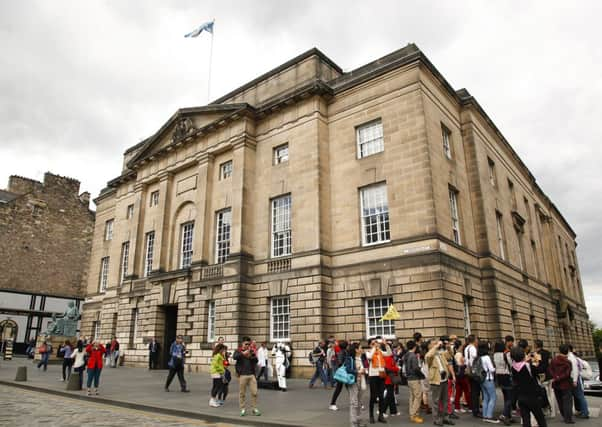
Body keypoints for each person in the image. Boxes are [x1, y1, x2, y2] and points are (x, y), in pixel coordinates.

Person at [510, 346, 547, 427]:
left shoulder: (513, 367)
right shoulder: (528, 366)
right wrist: (538, 360)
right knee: (540, 418)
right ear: (523, 355)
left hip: (521, 396)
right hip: (532, 396)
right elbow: (541, 370)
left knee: (526, 419)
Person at [425, 339, 455, 427]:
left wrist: (449, 347)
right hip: (436, 381)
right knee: (436, 401)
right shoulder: (429, 355)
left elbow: (450, 355)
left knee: (445, 400)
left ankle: (446, 417)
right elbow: (428, 355)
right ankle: (437, 419)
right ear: (430, 346)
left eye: (437, 343)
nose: (437, 344)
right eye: (434, 343)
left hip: (444, 379)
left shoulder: (440, 354)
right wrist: (436, 346)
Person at [233, 336, 261, 416]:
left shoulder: (251, 351)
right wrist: (243, 353)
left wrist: (251, 356)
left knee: (254, 392)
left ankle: (254, 408)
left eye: (249, 344)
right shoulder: (238, 351)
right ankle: (242, 409)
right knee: (242, 393)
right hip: (242, 375)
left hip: (251, 375)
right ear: (242, 343)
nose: (248, 345)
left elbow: (256, 360)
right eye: (246, 344)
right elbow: (235, 357)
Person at [366, 336, 390, 424]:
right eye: (372, 343)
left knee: (381, 397)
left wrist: (386, 344)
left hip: (381, 374)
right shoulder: (368, 352)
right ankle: (371, 415)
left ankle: (380, 415)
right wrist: (374, 348)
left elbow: (389, 353)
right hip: (373, 376)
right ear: (369, 345)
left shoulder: (380, 352)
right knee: (373, 396)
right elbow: (369, 357)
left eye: (376, 343)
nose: (375, 344)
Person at [549, 344, 574, 424]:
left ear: (559, 351)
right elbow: (567, 374)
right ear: (567, 352)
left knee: (560, 401)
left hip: (556, 384)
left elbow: (550, 370)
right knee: (567, 402)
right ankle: (568, 418)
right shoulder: (568, 362)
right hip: (566, 384)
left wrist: (555, 377)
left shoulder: (553, 360)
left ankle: (564, 416)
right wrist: (559, 377)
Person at [346, 342, 367, 427]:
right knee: (354, 403)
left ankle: (358, 421)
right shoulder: (350, 358)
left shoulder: (361, 357)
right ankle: (353, 423)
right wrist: (358, 372)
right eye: (361, 348)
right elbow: (348, 369)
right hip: (353, 382)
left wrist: (364, 370)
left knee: (359, 402)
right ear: (356, 350)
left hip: (361, 381)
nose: (362, 349)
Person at [403, 340, 425, 424]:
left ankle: (412, 413)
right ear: (414, 347)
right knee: (418, 396)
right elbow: (416, 368)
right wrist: (422, 375)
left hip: (409, 378)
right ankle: (414, 414)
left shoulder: (406, 355)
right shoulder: (413, 356)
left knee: (412, 397)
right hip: (415, 378)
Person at [533, 339, 555, 417]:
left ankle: (546, 409)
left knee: (544, 394)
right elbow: (550, 363)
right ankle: (553, 412)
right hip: (549, 375)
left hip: (542, 376)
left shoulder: (536, 354)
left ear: (536, 345)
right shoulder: (547, 352)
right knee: (551, 393)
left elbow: (536, 365)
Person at [567, 344, 589, 419]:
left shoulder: (571, 357)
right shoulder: (575, 357)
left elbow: (575, 370)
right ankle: (582, 411)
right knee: (579, 396)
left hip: (575, 378)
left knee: (579, 396)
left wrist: (575, 380)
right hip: (578, 378)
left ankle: (585, 412)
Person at [478, 341, 498, 423]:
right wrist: (495, 369)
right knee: (493, 397)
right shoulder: (486, 357)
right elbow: (491, 369)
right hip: (488, 378)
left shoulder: (479, 357)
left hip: (481, 379)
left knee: (485, 397)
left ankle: (485, 415)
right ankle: (489, 416)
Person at [494, 341, 512, 425]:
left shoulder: (494, 354)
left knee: (505, 395)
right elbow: (510, 364)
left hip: (499, 375)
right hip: (506, 374)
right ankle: (505, 414)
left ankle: (508, 415)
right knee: (510, 397)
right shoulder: (506, 354)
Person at [464, 334, 480, 417]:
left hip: (468, 371)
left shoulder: (466, 348)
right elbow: (474, 359)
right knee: (475, 391)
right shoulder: (473, 348)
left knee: (472, 390)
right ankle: (476, 409)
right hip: (474, 371)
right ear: (474, 340)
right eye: (476, 339)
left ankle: (474, 408)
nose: (477, 341)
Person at [330, 340, 349, 410]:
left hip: (343, 372)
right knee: (339, 388)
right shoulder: (342, 352)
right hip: (342, 373)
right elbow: (340, 362)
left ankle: (357, 402)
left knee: (349, 388)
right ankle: (332, 403)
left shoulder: (344, 352)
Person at [382, 343, 400, 418]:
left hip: (390, 378)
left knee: (391, 395)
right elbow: (389, 368)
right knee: (389, 395)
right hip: (389, 378)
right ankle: (382, 411)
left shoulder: (389, 357)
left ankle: (393, 411)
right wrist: (397, 368)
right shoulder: (388, 358)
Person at [453, 340, 470, 414]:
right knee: (466, 390)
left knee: (458, 391)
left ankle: (457, 407)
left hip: (457, 375)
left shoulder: (455, 354)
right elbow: (462, 363)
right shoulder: (460, 354)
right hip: (462, 374)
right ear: (460, 346)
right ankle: (470, 406)